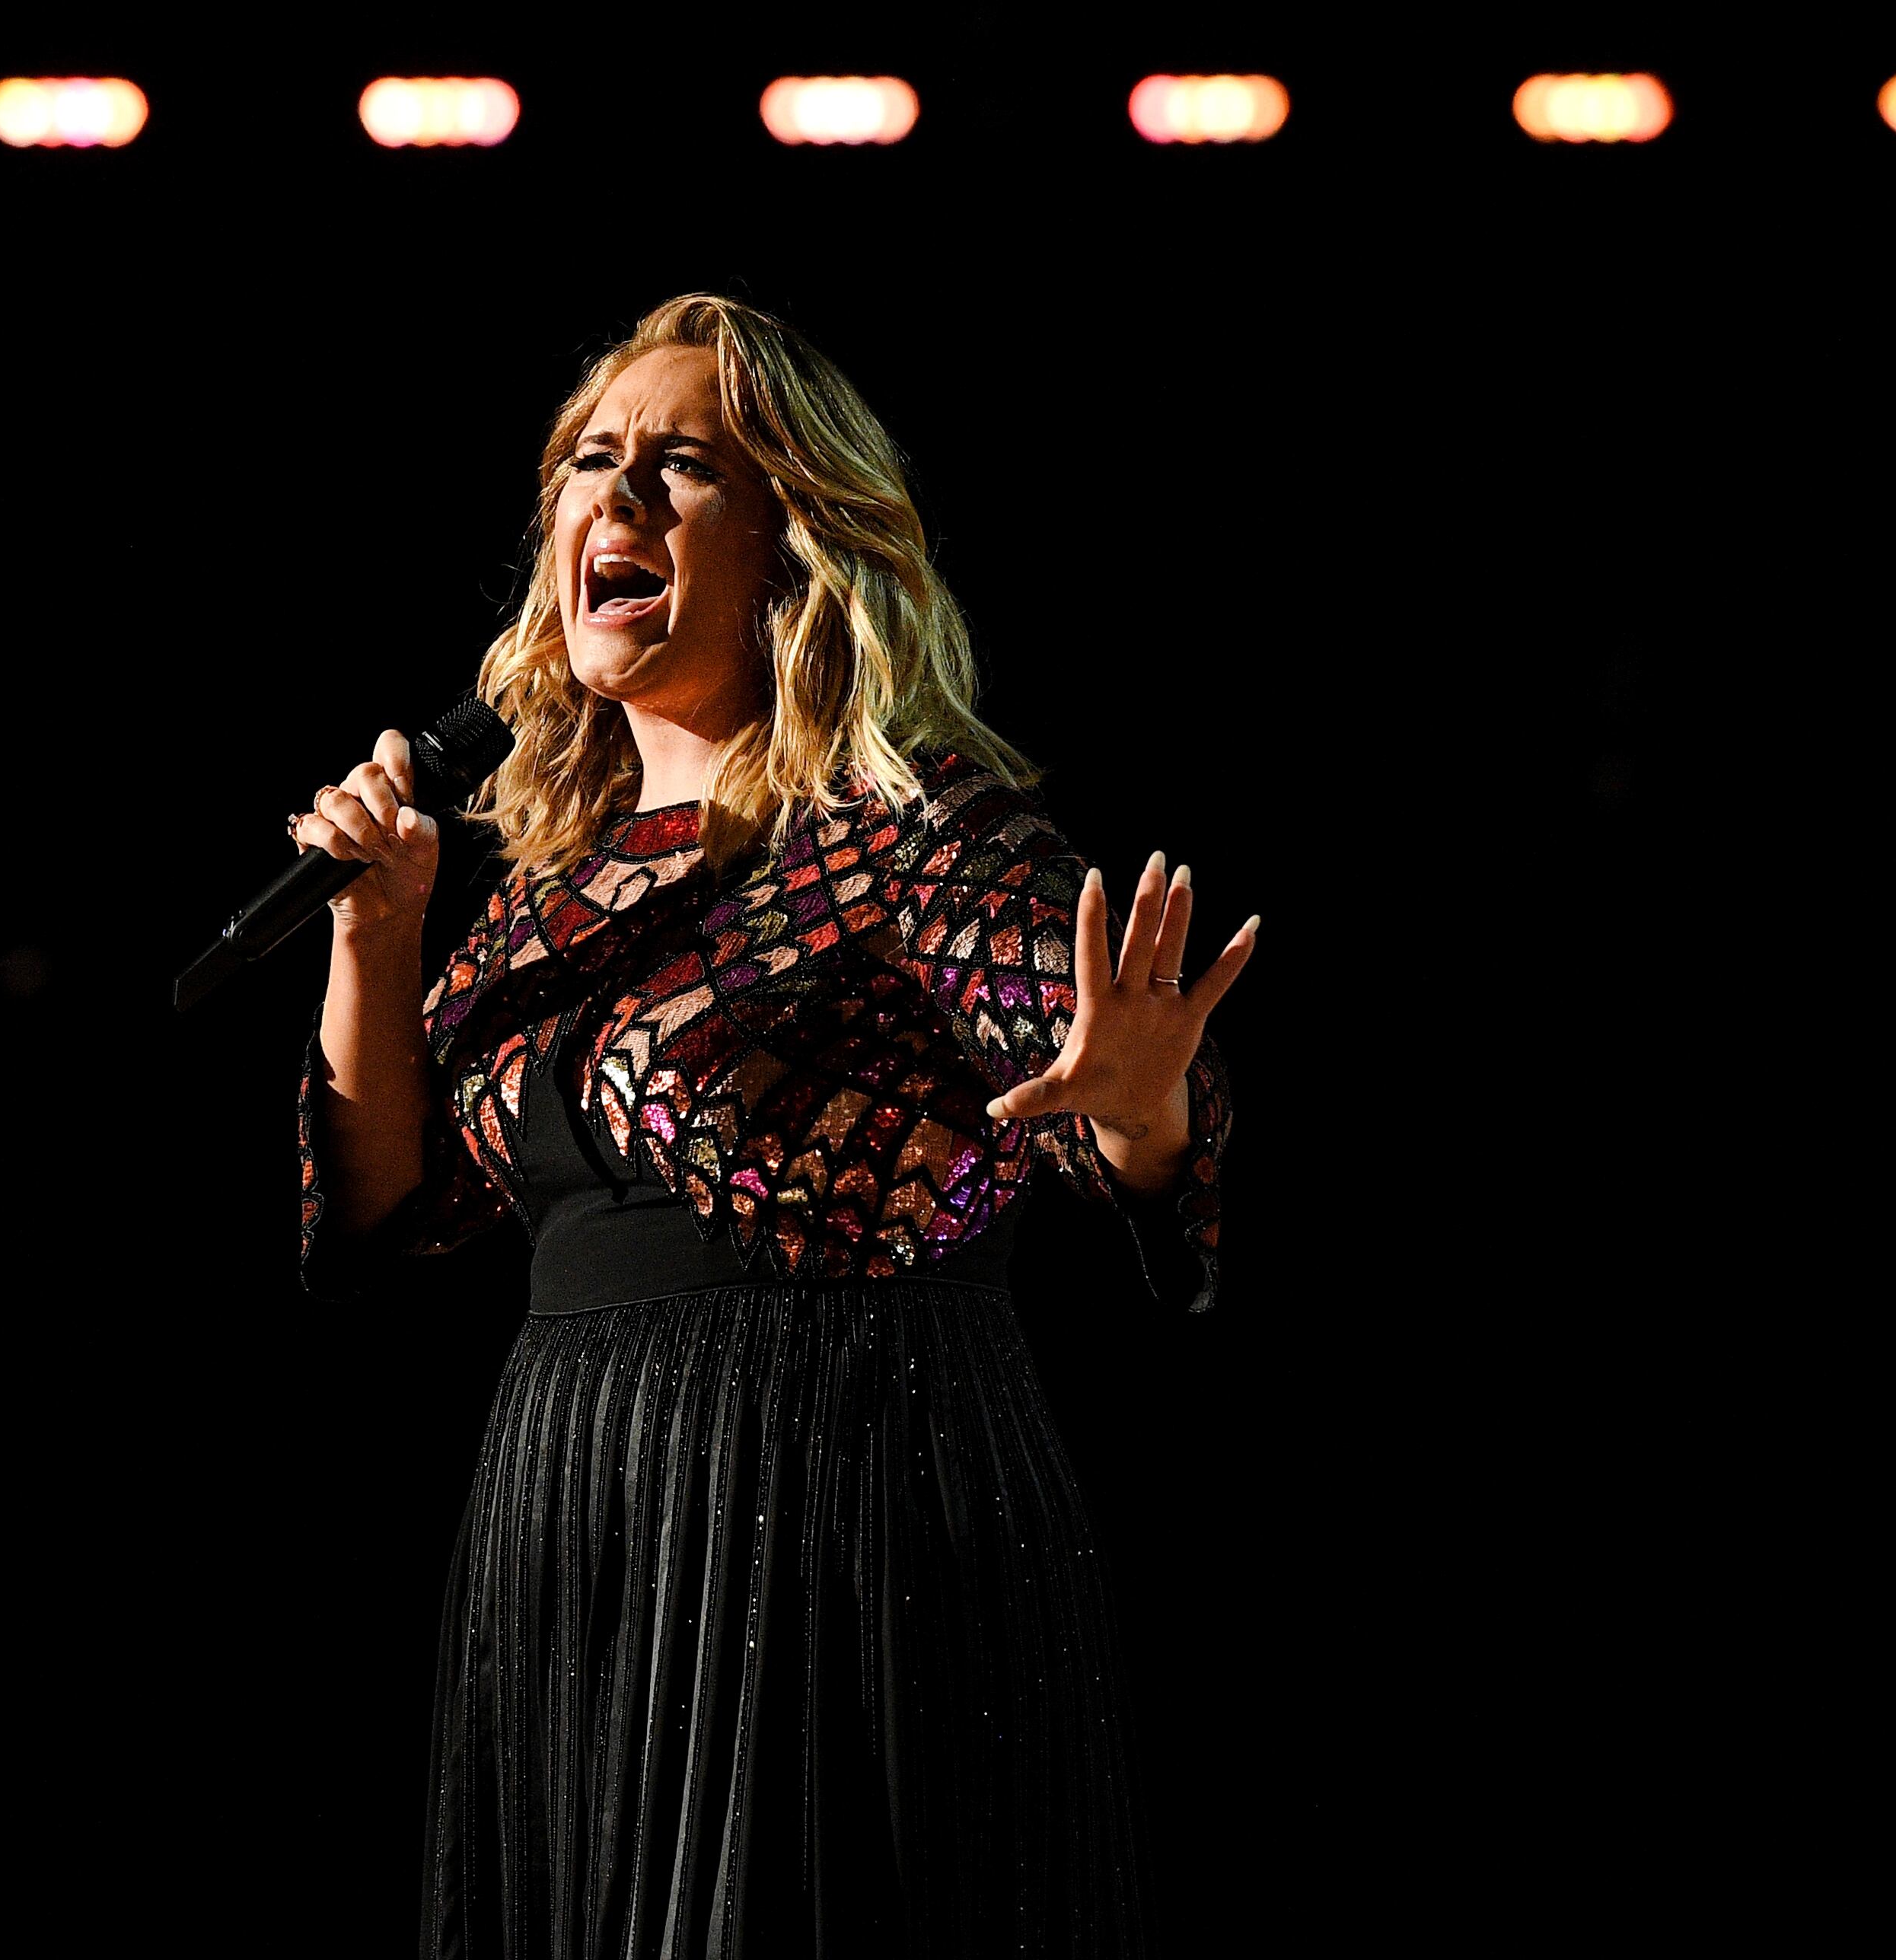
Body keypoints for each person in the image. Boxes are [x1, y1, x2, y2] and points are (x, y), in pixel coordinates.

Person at [289, 295, 1254, 1958]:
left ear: (795, 545)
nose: (620, 498)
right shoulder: (549, 892)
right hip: (572, 1514)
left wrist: (1144, 1105)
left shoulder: (911, 833)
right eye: (593, 461)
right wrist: (376, 929)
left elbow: (1128, 1105)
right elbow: (381, 1215)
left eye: (683, 467)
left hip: (832, 1502)